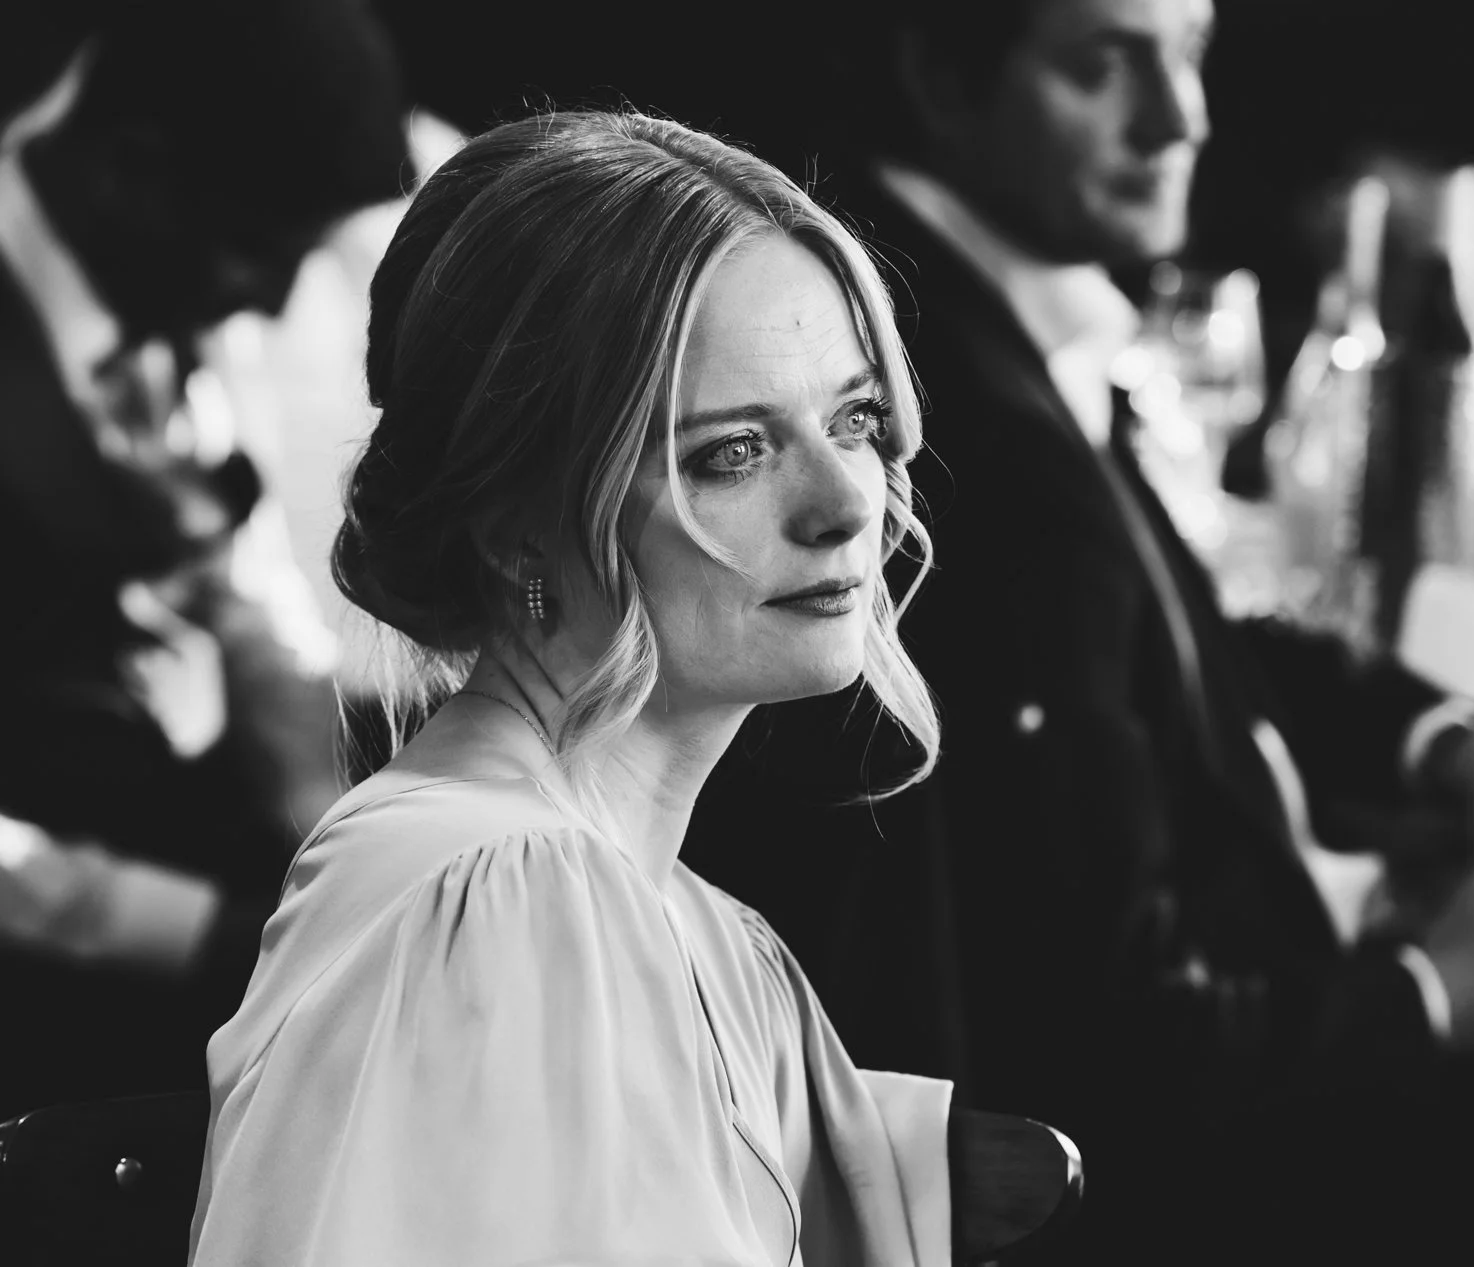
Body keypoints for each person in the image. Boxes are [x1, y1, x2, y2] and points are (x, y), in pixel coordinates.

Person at [685, 0, 1474, 1257]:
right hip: (1259, 1157)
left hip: (1307, 1002)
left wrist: (1460, 745)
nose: (1180, 117)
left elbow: (1211, 643)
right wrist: (1435, 1001)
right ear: (943, 77)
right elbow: (1093, 1054)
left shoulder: (1014, 328)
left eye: (1189, 54)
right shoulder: (943, 434)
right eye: (1104, 64)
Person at [189, 109, 956, 1267]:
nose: (845, 503)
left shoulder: (700, 936)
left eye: (851, 419)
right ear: (518, 528)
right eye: (731, 451)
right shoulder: (508, 898)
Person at [0, 0, 407, 1117]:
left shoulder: (161, 291)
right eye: (262, 253)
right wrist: (187, 928)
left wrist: (340, 852)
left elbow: (244, 594)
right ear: (133, 170)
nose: (272, 304)